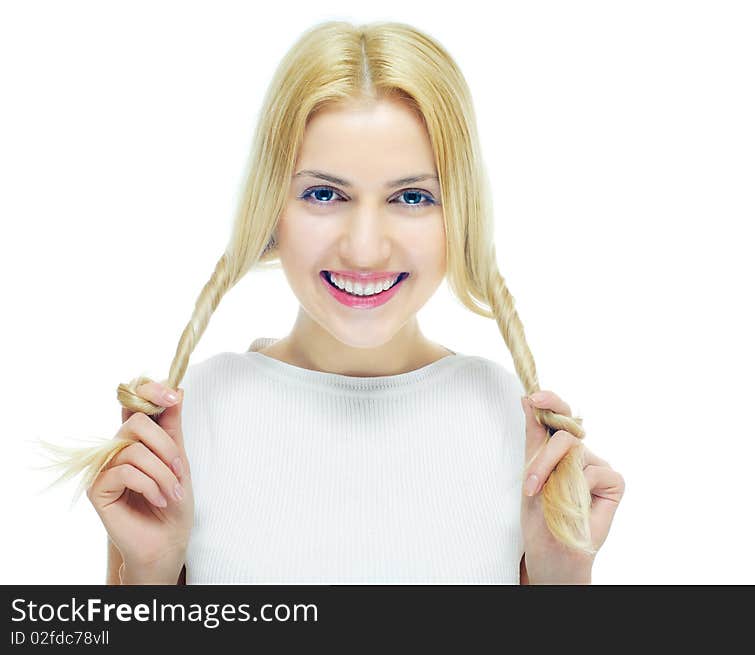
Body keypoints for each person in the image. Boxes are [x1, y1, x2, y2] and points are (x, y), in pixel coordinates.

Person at [40, 20, 624, 585]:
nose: (365, 249)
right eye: (324, 193)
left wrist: (563, 582)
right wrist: (147, 578)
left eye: (413, 196)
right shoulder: (193, 421)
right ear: (272, 209)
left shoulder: (511, 424)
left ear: (460, 214)